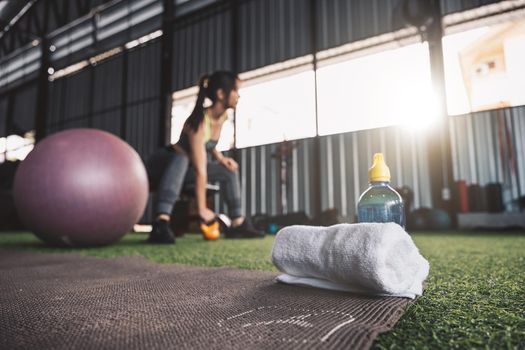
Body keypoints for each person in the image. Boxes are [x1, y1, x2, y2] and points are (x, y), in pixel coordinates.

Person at [146, 71, 264, 244]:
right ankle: (161, 222)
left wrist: (221, 158)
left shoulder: (222, 116)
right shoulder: (199, 122)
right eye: (236, 90)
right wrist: (202, 209)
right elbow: (201, 170)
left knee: (228, 171)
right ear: (221, 94)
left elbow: (209, 144)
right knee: (183, 158)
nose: (238, 96)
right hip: (161, 167)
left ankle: (237, 223)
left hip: (186, 171)